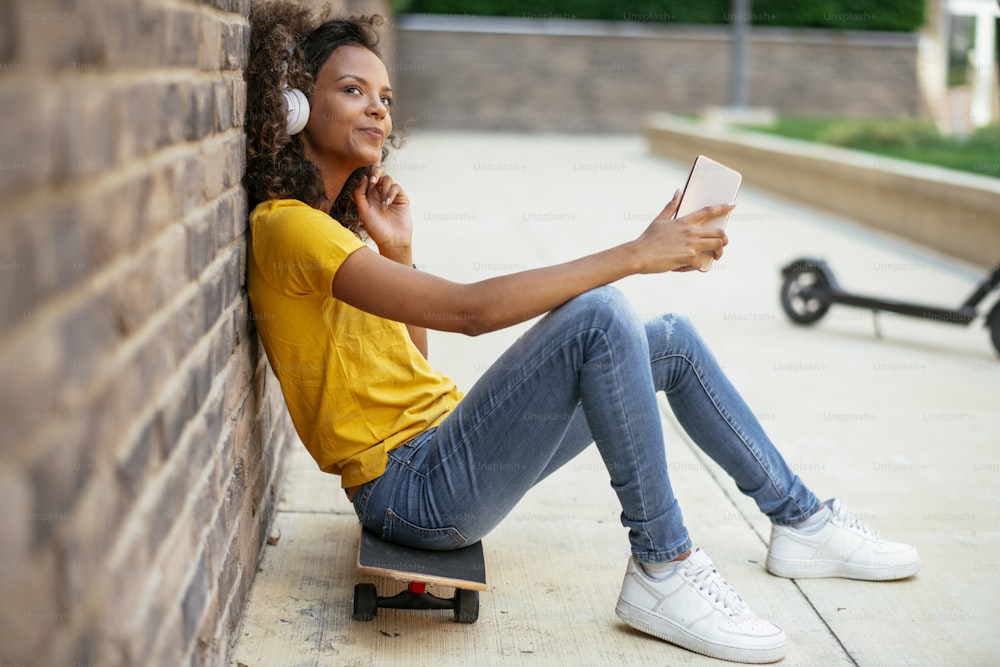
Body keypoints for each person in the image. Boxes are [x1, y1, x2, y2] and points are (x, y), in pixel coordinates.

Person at [244, 4, 920, 663]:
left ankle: (800, 520)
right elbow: (471, 312)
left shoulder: (335, 231)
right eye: (353, 90)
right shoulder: (289, 228)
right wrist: (636, 251)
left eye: (385, 97)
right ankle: (664, 566)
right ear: (297, 106)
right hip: (412, 491)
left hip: (444, 455)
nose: (377, 109)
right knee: (599, 315)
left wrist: (401, 251)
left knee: (669, 338)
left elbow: (415, 363)